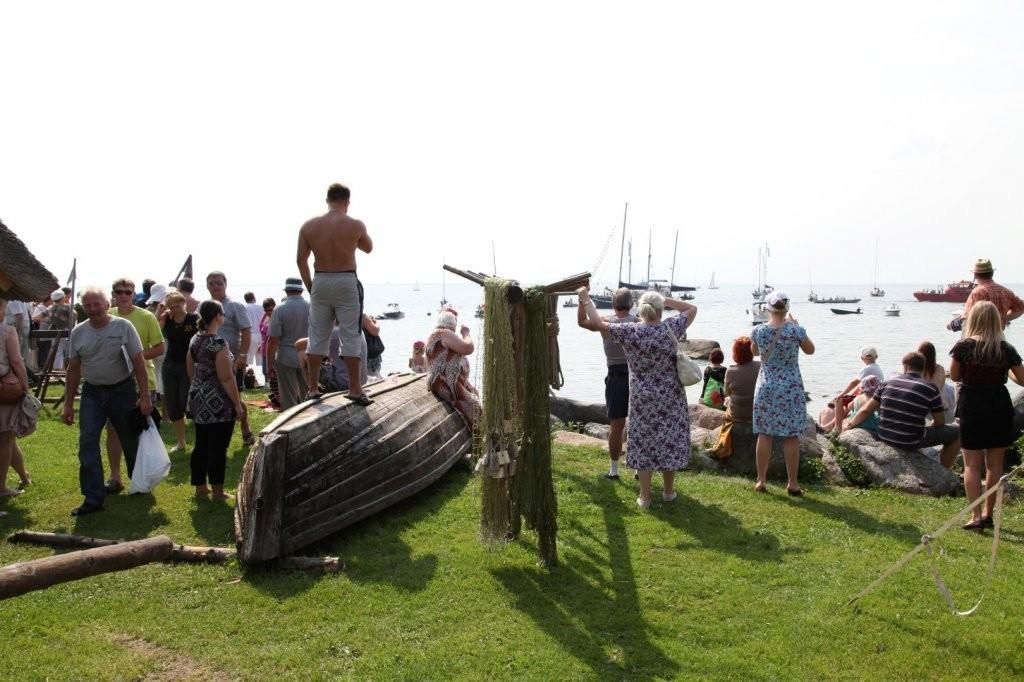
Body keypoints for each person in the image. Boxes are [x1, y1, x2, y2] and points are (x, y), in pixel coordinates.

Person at [578, 287, 697, 508]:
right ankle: (668, 492)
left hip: (642, 397)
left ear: (640, 310)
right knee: (668, 439)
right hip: (670, 394)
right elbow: (692, 308)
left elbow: (596, 322)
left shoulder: (630, 331)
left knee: (643, 441)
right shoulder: (671, 327)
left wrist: (585, 299)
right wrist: (664, 299)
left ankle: (645, 497)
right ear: (660, 309)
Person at [62, 287, 152, 515]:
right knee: (88, 442)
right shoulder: (78, 332)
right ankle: (93, 497)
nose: (93, 309)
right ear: (83, 308)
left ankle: (140, 483)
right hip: (92, 393)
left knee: (130, 439)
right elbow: (73, 368)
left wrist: (145, 396)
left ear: (106, 303)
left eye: (97, 304)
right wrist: (68, 403)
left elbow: (138, 362)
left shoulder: (123, 326)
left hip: (122, 390)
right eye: (88, 305)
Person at [949, 302, 1024, 530]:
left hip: (972, 403)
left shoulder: (963, 347)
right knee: (995, 465)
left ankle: (975, 516)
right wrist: (1007, 374)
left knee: (971, 465)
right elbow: (1022, 379)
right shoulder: (1006, 349)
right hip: (998, 404)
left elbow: (954, 375)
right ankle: (988, 513)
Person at [297, 183, 374, 404]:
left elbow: (300, 260)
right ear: (347, 202)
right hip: (345, 278)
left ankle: (312, 389)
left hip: (320, 278)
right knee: (350, 334)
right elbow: (368, 248)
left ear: (327, 200)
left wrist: (310, 286)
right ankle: (355, 388)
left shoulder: (308, 226)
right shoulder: (355, 224)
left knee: (317, 335)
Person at [844, 352, 960, 468]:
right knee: (957, 432)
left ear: (904, 366)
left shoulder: (886, 383)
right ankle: (943, 470)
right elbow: (940, 422)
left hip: (885, 436)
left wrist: (850, 424)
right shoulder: (930, 388)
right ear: (923, 368)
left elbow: (866, 410)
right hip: (910, 440)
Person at [750, 291, 815, 496]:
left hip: (766, 386)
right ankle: (793, 483)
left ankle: (761, 480)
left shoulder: (758, 331)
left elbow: (754, 353)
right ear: (787, 309)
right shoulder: (796, 331)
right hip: (790, 388)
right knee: (791, 437)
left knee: (765, 433)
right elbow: (810, 350)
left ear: (768, 309)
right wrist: (795, 326)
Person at [105, 277, 165, 494]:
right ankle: (114, 477)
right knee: (112, 430)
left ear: (133, 294)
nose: (123, 295)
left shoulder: (146, 316)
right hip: (112, 380)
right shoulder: (107, 315)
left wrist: (134, 357)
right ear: (113, 294)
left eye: (127, 292)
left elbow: (159, 347)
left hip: (142, 380)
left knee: (139, 430)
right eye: (118, 291)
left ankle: (141, 478)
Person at [576, 287, 636, 479]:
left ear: (613, 304)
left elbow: (582, 321)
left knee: (617, 425)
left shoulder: (605, 323)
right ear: (632, 304)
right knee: (638, 423)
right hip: (637, 376)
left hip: (616, 376)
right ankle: (639, 468)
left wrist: (582, 301)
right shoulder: (638, 323)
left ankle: (614, 470)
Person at [186, 301, 243, 501]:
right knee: (218, 447)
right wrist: (237, 404)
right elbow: (226, 377)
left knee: (201, 443)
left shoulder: (195, 338)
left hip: (198, 395)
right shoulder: (218, 343)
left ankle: (200, 487)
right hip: (217, 399)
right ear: (218, 316)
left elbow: (190, 368)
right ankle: (218, 492)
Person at [204, 271, 253, 444]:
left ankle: (245, 427)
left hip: (231, 360)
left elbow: (246, 331)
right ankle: (220, 433)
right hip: (209, 361)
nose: (215, 286)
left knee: (235, 397)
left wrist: (243, 355)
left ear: (225, 284)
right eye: (211, 283)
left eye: (218, 283)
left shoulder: (234, 306)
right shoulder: (205, 306)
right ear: (207, 286)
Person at [425, 311, 481, 429]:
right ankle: (478, 438)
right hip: (444, 381)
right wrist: (466, 333)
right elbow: (468, 348)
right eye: (454, 327)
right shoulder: (444, 333)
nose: (455, 331)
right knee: (474, 405)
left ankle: (479, 433)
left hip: (448, 379)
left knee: (475, 391)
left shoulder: (435, 334)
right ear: (451, 324)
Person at [0, 298, 33, 496]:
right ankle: (1, 487)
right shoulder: (6, 331)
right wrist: (25, 386)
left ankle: (24, 476)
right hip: (4, 389)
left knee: (9, 437)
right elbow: (16, 360)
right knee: (5, 438)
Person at [160, 291, 199, 453]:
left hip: (188, 364)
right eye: (172, 305)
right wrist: (161, 313)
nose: (176, 308)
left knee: (187, 402)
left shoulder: (193, 319)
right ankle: (181, 442)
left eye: (178, 304)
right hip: (170, 365)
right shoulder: (167, 319)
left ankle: (200, 442)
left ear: (184, 303)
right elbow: (156, 332)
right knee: (173, 404)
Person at [711, 336, 761, 459]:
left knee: (728, 400)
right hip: (758, 414)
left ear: (735, 352)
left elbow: (727, 393)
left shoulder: (731, 370)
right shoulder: (761, 366)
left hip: (738, 415)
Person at [267, 278, 310, 410]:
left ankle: (291, 424)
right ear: (301, 291)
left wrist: (270, 363)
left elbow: (273, 339)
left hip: (286, 356)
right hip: (307, 355)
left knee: (288, 397)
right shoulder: (311, 307)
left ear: (286, 291)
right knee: (308, 394)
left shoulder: (279, 309)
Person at [963, 259, 1024, 328]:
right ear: (992, 273)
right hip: (999, 337)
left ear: (975, 275)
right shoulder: (1006, 292)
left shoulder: (977, 293)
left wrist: (951, 325)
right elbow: (1021, 308)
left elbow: (966, 317)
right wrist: (1002, 319)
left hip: (978, 337)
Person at [918, 341, 955, 424]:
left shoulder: (919, 370)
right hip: (942, 407)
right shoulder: (941, 369)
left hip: (926, 410)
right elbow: (940, 388)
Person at [47, 288, 74, 370]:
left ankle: (58, 368)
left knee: (55, 349)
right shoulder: (66, 307)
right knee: (60, 350)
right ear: (62, 298)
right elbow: (74, 314)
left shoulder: (50, 308)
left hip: (52, 330)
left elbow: (37, 317)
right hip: (64, 331)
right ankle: (58, 369)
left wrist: (50, 321)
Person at [243, 292, 263, 372]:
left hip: (249, 334)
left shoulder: (244, 307)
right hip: (261, 334)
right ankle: (267, 381)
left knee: (246, 360)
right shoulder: (261, 307)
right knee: (262, 360)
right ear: (254, 297)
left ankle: (243, 381)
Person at [364, 314, 384, 380]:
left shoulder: (344, 315)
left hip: (355, 351)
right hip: (369, 352)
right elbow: (375, 331)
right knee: (373, 372)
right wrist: (375, 322)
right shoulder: (362, 316)